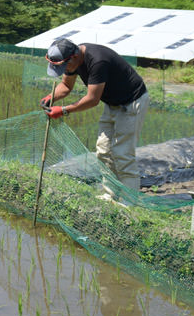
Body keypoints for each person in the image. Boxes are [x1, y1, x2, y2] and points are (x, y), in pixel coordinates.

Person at [39, 38, 150, 203]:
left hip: (131, 103)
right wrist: (50, 98)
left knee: (123, 153)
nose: (64, 70)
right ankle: (110, 194)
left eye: (64, 67)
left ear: (74, 57)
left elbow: (92, 99)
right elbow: (66, 86)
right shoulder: (73, 60)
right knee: (103, 150)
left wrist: (63, 110)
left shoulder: (98, 61)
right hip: (112, 103)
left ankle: (130, 202)